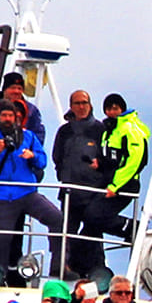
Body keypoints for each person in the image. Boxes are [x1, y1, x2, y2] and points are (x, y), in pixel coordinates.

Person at [0, 99, 64, 284]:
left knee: (57, 219)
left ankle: (59, 266)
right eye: (4, 115)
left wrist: (33, 156)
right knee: (0, 240)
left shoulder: (28, 137)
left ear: (16, 118)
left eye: (11, 115)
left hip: (27, 192)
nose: (7, 119)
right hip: (2, 195)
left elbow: (43, 161)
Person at [52, 89, 109, 280]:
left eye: (85, 102)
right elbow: (57, 157)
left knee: (94, 233)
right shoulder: (64, 131)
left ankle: (97, 271)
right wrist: (64, 174)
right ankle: (64, 268)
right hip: (69, 191)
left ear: (90, 104)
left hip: (93, 192)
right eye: (77, 103)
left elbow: (107, 158)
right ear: (71, 106)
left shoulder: (99, 130)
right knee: (67, 231)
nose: (82, 106)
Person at [97, 94, 150, 240]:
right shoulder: (109, 131)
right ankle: (88, 261)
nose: (112, 112)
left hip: (125, 185)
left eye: (115, 108)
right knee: (89, 217)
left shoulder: (130, 129)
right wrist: (99, 164)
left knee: (94, 216)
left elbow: (136, 161)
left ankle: (134, 228)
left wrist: (116, 186)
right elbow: (110, 158)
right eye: (108, 109)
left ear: (122, 109)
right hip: (108, 182)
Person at [0, 70, 45, 138]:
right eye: (13, 88)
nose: (16, 91)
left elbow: (38, 134)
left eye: (19, 88)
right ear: (4, 89)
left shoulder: (32, 111)